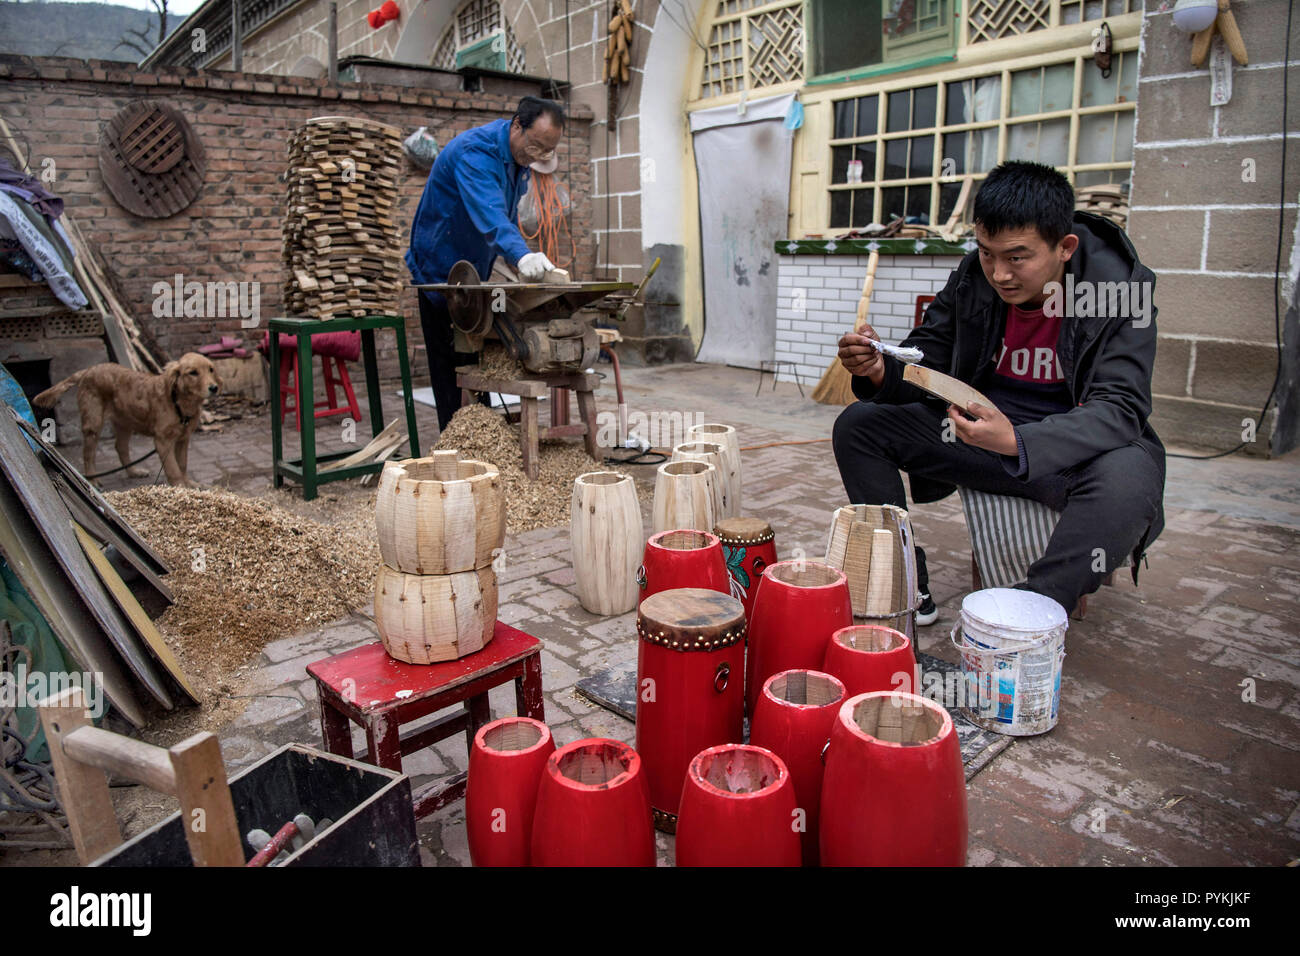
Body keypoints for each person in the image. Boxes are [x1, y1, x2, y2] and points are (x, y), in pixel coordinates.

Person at [832, 160, 1165, 621]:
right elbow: (931, 356)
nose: (1000, 273)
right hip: (977, 435)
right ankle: (905, 581)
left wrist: (1019, 441)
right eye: (987, 252)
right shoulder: (975, 275)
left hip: (1065, 452)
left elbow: (1121, 406)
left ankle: (1031, 610)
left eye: (1017, 257)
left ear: (1064, 247)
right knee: (859, 426)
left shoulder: (1120, 290)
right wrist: (877, 369)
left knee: (1130, 478)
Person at [406, 95, 565, 430]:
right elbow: (491, 215)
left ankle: (485, 437)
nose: (537, 157)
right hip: (441, 267)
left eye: (546, 151)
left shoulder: (519, 158)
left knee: (480, 358)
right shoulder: (475, 153)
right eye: (535, 146)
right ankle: (455, 446)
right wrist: (521, 255)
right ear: (517, 126)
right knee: (452, 364)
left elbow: (503, 216)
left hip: (475, 267)